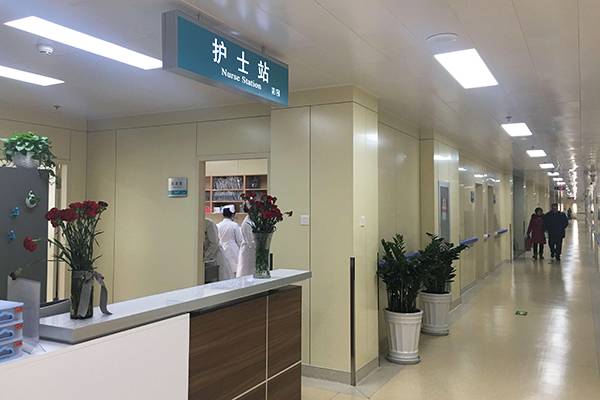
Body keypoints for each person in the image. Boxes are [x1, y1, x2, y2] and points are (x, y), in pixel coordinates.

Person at [216, 208, 242, 279]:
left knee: (225, 272)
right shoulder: (234, 225)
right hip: (233, 250)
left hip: (222, 249)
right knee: (235, 272)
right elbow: (239, 240)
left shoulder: (218, 225)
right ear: (232, 215)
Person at [237, 204, 256, 277]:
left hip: (252, 250)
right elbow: (250, 241)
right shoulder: (246, 223)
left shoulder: (252, 221)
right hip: (248, 250)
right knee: (246, 272)